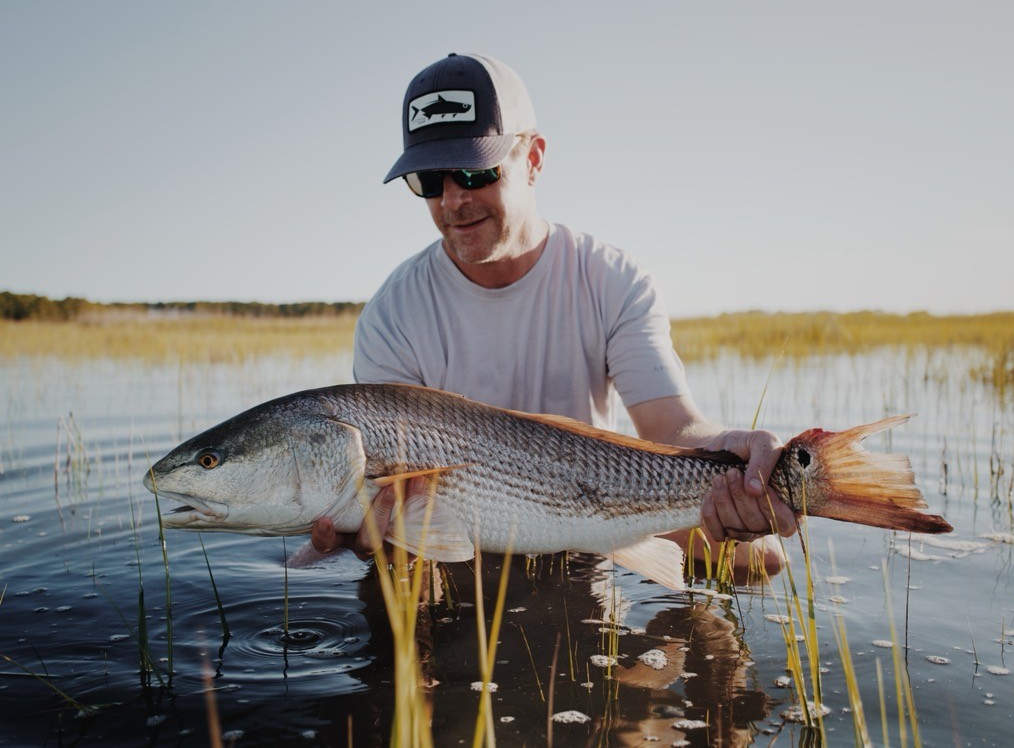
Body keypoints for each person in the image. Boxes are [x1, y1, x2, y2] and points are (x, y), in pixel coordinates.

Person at [311, 52, 798, 574]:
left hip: (599, 507)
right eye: (429, 181)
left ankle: (685, 639)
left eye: (475, 171)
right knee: (400, 578)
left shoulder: (610, 278)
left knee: (759, 557)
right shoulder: (392, 313)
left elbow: (671, 427)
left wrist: (728, 453)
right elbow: (393, 492)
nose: (452, 201)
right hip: (459, 524)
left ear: (535, 158)